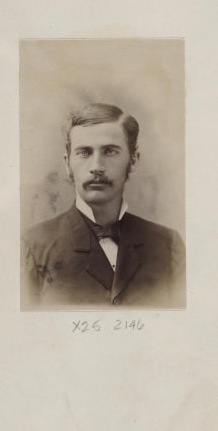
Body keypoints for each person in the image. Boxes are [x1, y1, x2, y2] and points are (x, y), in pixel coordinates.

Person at [22, 103, 185, 308]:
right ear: (67, 164)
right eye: (84, 153)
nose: (97, 167)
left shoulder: (168, 246)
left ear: (133, 161)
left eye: (110, 151)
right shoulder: (32, 246)